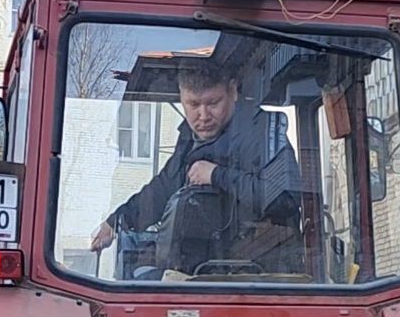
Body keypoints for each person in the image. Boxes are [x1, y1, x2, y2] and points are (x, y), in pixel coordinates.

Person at [89, 59, 302, 271]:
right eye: (193, 105)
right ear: (182, 98)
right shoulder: (189, 140)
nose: (203, 116)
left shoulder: (262, 131)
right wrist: (117, 221)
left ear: (232, 92)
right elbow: (161, 190)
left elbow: (284, 199)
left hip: (263, 276)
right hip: (205, 272)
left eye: (213, 103)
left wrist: (216, 175)